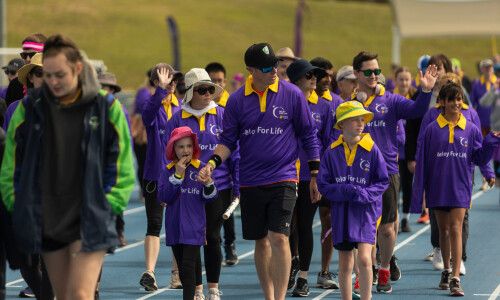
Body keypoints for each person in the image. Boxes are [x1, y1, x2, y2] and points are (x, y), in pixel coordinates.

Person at [0, 33, 135, 300]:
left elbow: (121, 165)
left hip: (91, 214)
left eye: (59, 74)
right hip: (47, 215)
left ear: (77, 69)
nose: (52, 81)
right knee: (60, 295)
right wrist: (19, 205)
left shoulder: (107, 108)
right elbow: (10, 167)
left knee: (81, 294)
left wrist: (107, 206)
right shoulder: (29, 109)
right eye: (47, 75)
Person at [198, 43, 320, 300]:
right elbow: (228, 140)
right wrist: (212, 162)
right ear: (250, 70)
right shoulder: (236, 101)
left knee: (279, 237)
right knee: (261, 241)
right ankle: (269, 296)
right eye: (267, 67)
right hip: (251, 181)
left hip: (284, 177)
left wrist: (315, 173)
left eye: (276, 64)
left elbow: (308, 135)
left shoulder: (292, 94)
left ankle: (280, 298)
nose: (274, 70)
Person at [350, 51, 438, 293]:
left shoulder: (391, 100)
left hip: (387, 172)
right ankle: (363, 273)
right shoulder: (350, 105)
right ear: (356, 73)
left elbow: (418, 110)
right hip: (357, 174)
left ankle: (385, 268)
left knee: (388, 228)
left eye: (376, 71)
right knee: (361, 229)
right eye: (368, 71)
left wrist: (426, 90)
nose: (373, 75)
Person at [411, 82, 500, 297]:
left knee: (455, 229)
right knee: (443, 230)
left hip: (460, 186)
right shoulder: (432, 129)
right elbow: (422, 160)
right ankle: (446, 270)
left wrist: (489, 153)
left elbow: (478, 156)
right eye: (452, 99)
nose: (456, 103)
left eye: (459, 99)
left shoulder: (470, 128)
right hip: (437, 186)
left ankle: (455, 278)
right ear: (442, 102)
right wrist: (420, 191)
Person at [164, 68, 239, 299]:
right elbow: (165, 154)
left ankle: (213, 289)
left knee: (213, 236)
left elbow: (235, 151)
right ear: (190, 92)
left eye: (211, 89)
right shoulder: (176, 118)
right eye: (202, 89)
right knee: (192, 239)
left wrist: (238, 184)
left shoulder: (224, 114)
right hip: (186, 190)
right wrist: (168, 187)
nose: (208, 93)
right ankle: (196, 289)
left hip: (220, 185)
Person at [317, 100, 389, 300]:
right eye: (355, 120)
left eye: (362, 120)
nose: (361, 124)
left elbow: (382, 181)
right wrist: (344, 190)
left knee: (365, 259)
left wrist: (363, 195)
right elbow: (323, 185)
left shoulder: (372, 149)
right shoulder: (331, 152)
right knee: (345, 263)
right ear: (342, 123)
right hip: (341, 213)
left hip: (365, 212)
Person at [285, 59, 337, 296]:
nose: (314, 78)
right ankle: (290, 263)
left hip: (309, 176)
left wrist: (321, 175)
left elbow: (327, 142)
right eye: (309, 76)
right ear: (296, 81)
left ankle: (303, 277)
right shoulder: (285, 103)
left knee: (304, 226)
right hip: (284, 174)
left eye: (315, 75)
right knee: (285, 228)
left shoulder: (324, 106)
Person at [158, 126, 218, 300]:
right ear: (173, 150)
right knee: (184, 270)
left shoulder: (201, 168)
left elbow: (212, 197)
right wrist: (177, 175)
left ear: (194, 148)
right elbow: (163, 197)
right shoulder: (167, 170)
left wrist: (208, 183)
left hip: (194, 227)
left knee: (188, 264)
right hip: (174, 227)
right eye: (181, 147)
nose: (185, 150)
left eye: (189, 146)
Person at [139, 63, 183, 291]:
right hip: (155, 175)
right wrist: (161, 92)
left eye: (174, 80)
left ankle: (176, 274)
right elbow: (147, 112)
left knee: (176, 223)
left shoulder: (181, 108)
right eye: (167, 80)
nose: (172, 84)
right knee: (154, 223)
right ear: (157, 82)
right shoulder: (152, 107)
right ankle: (150, 272)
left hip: (179, 174)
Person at [205, 62, 241, 266]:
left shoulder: (231, 105)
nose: (215, 85)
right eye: (211, 81)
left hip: (225, 175)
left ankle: (230, 245)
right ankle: (213, 248)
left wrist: (237, 179)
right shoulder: (204, 108)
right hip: (208, 175)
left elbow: (235, 149)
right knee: (210, 220)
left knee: (227, 214)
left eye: (219, 81)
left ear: (225, 82)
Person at [392, 67, 417, 233]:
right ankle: (392, 217)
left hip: (407, 153)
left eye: (407, 79)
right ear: (395, 81)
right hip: (391, 152)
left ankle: (405, 219)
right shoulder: (389, 98)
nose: (404, 83)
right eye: (401, 79)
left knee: (408, 186)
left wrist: (413, 156)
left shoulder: (414, 100)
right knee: (394, 188)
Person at [5, 33, 46, 107]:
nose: (27, 59)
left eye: (32, 55)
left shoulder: (53, 83)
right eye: (24, 55)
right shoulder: (14, 84)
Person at [479, 74, 500, 204]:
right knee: (498, 168)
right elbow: (483, 103)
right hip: (497, 133)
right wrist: (493, 89)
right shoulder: (496, 93)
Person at [470, 59, 496, 138]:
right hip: (481, 123)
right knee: (482, 145)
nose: (488, 69)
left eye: (490, 67)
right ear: (481, 69)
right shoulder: (477, 84)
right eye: (486, 67)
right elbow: (471, 103)